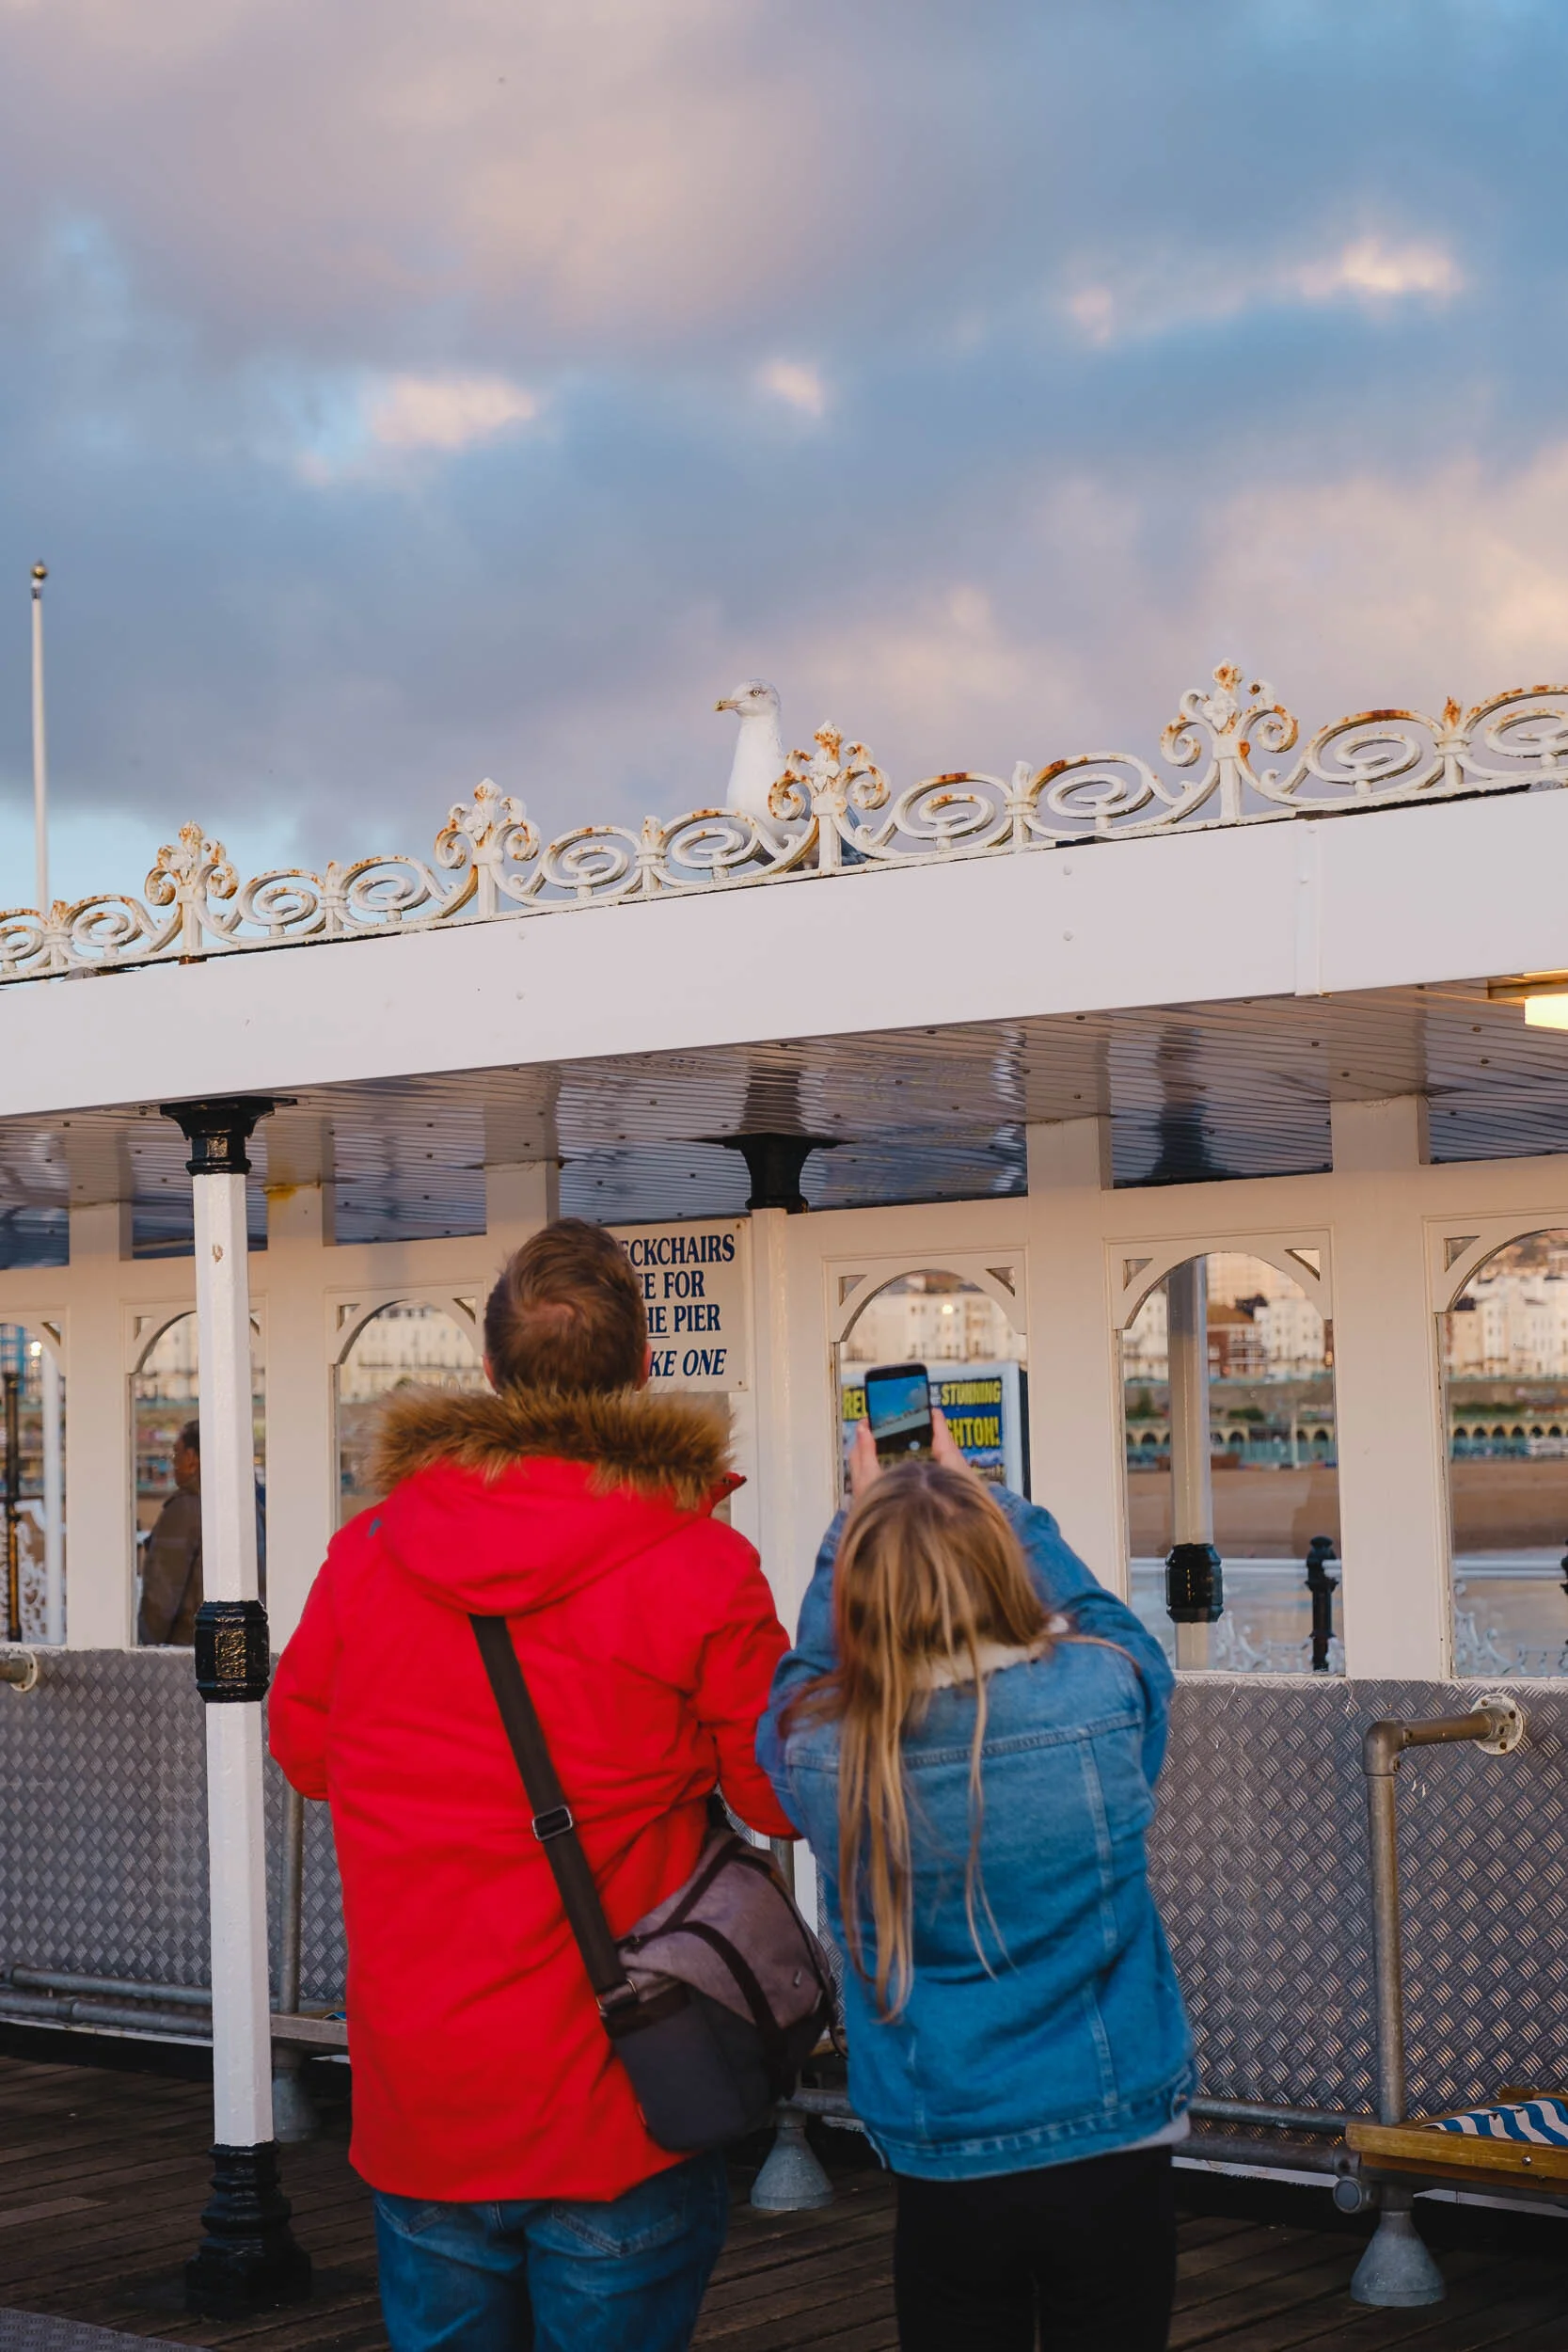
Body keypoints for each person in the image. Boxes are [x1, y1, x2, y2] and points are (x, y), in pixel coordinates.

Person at [270, 1217, 797, 2352]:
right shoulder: (701, 1562)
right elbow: (779, 1794)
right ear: (642, 1367)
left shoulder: (370, 1553)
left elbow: (305, 1752)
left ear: (491, 1367)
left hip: (426, 2095)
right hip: (623, 2094)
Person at [759, 1414, 1194, 2352]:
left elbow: (797, 1684)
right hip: (1108, 2126)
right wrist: (1001, 1507)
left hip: (940, 2141)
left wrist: (851, 1529)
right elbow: (1120, 1633)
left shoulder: (827, 1750)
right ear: (1000, 1569)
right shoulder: (1100, 1694)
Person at [136, 1418, 203, 1645]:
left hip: (186, 1647)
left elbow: (162, 1594)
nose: (174, 1463)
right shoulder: (252, 1503)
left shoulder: (185, 1509)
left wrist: (147, 1647)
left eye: (177, 1454)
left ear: (192, 1458)